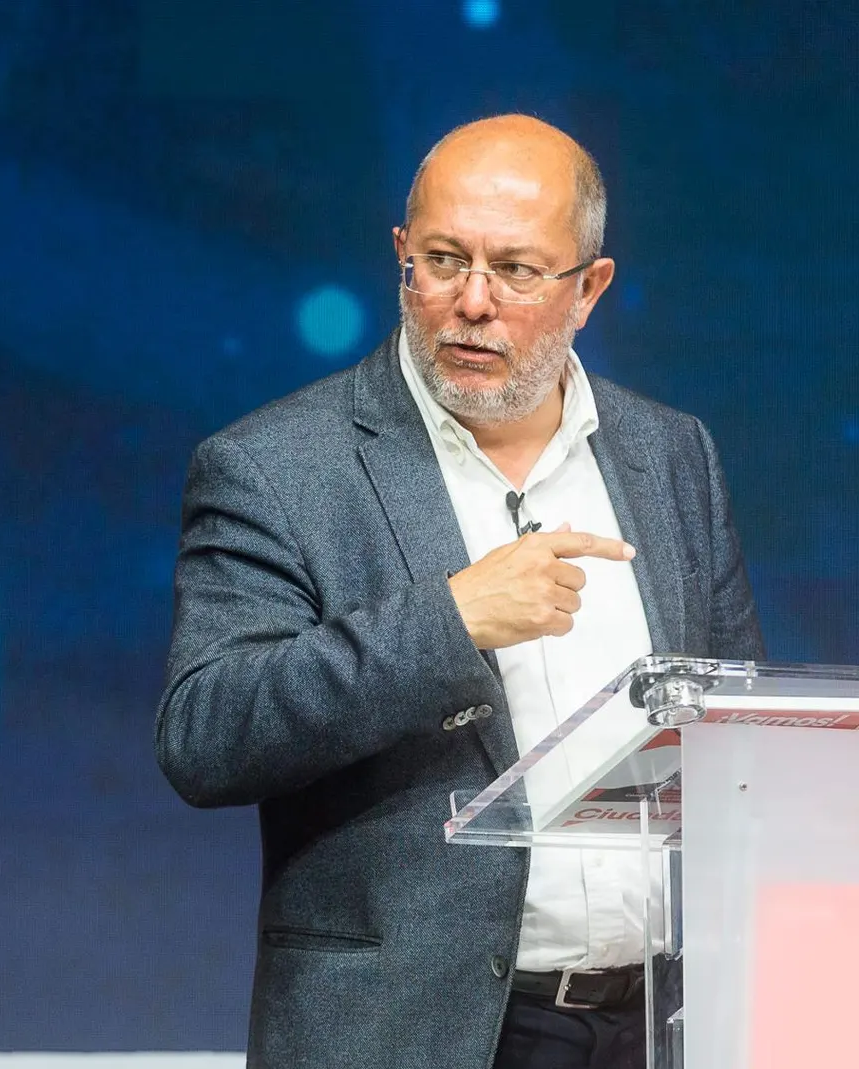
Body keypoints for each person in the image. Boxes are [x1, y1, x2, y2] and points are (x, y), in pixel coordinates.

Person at [156, 114, 762, 1069]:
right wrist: (451, 620)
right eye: (442, 261)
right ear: (401, 255)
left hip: (657, 1024)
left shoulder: (670, 454)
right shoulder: (275, 467)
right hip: (415, 1031)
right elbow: (205, 734)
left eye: (518, 271)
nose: (471, 302)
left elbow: (736, 731)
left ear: (589, 288)